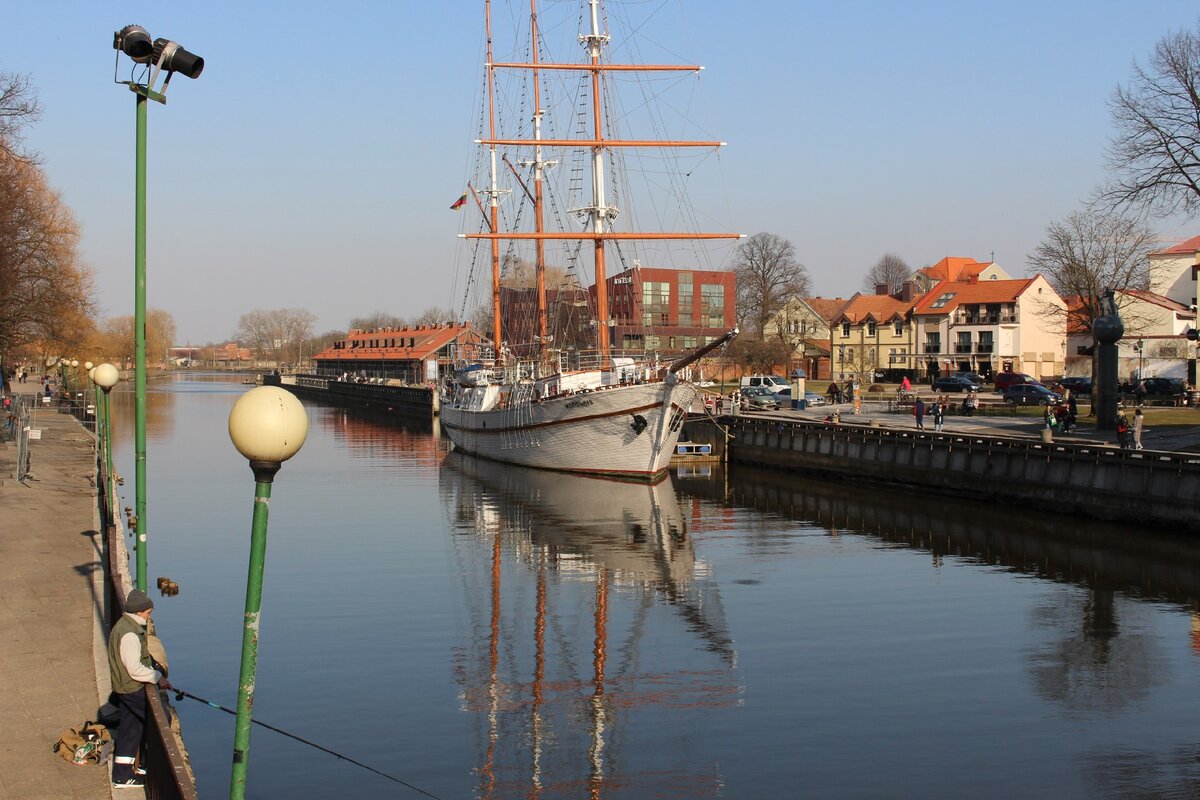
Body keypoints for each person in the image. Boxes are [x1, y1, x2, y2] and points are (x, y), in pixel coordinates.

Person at [107, 589, 171, 787]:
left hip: (124, 686)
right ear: (140, 611)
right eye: (148, 613)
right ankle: (145, 765)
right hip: (131, 687)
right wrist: (158, 677)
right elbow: (134, 668)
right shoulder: (129, 634)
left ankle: (122, 774)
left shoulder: (128, 626)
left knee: (130, 728)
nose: (150, 616)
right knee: (161, 719)